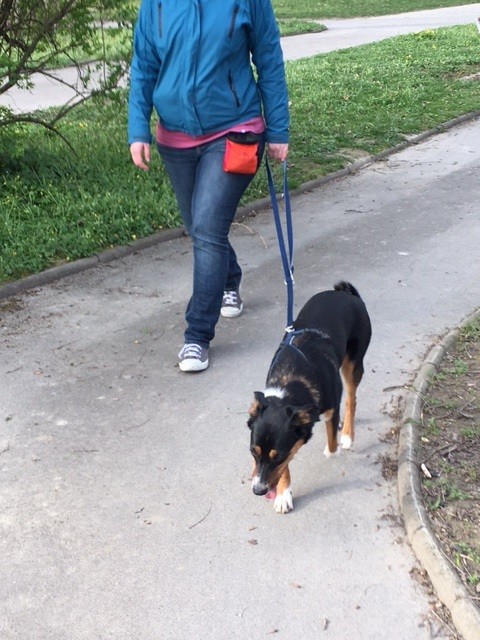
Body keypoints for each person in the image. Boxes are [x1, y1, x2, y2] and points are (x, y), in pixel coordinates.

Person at [128, 0, 289, 372]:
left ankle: (196, 336)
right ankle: (229, 279)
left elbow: (268, 58)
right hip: (175, 137)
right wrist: (139, 128)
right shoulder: (156, 4)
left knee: (206, 227)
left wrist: (278, 128)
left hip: (236, 130)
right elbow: (144, 65)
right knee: (199, 227)